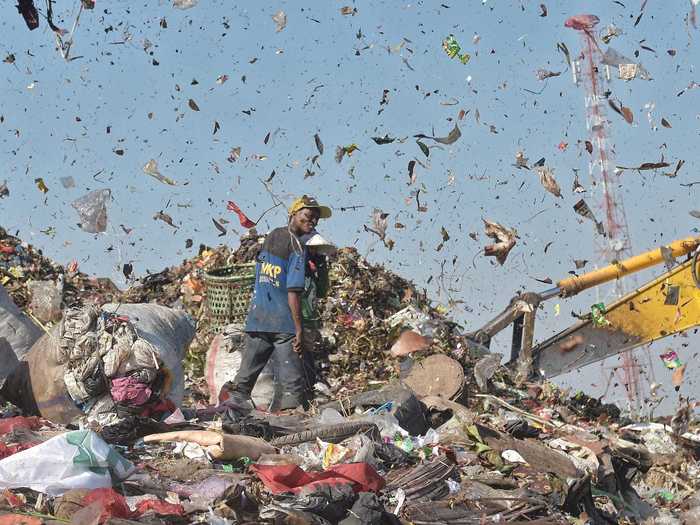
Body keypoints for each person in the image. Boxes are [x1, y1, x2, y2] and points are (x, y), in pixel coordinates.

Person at [220, 195, 331, 411]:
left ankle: (229, 415)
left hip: (257, 319)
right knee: (292, 384)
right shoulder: (297, 248)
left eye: (316, 219)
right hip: (283, 326)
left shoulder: (272, 236)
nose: (313, 221)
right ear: (293, 214)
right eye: (308, 215)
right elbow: (292, 293)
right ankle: (292, 429)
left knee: (243, 382)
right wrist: (298, 330)